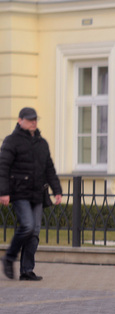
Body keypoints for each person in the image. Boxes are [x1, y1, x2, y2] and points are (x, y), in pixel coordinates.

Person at [0, 107, 62, 281]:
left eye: (35, 119)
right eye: (29, 119)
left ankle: (27, 270)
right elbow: (3, 168)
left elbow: (49, 169)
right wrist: (3, 192)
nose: (33, 122)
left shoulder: (42, 143)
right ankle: (9, 257)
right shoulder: (11, 141)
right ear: (20, 121)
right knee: (27, 226)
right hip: (19, 192)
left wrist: (57, 190)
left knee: (34, 232)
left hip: (38, 194)